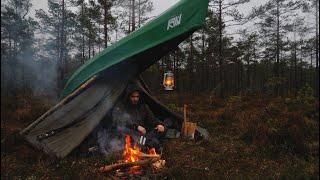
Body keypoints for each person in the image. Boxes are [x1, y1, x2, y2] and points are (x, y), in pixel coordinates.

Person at [96, 83, 167, 156]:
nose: (135, 99)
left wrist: (159, 124)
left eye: (137, 97)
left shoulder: (143, 107)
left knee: (156, 133)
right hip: (126, 135)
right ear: (128, 96)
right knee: (130, 135)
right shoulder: (122, 106)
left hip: (141, 135)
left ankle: (148, 147)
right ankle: (142, 147)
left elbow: (152, 119)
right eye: (133, 96)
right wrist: (136, 127)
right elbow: (119, 122)